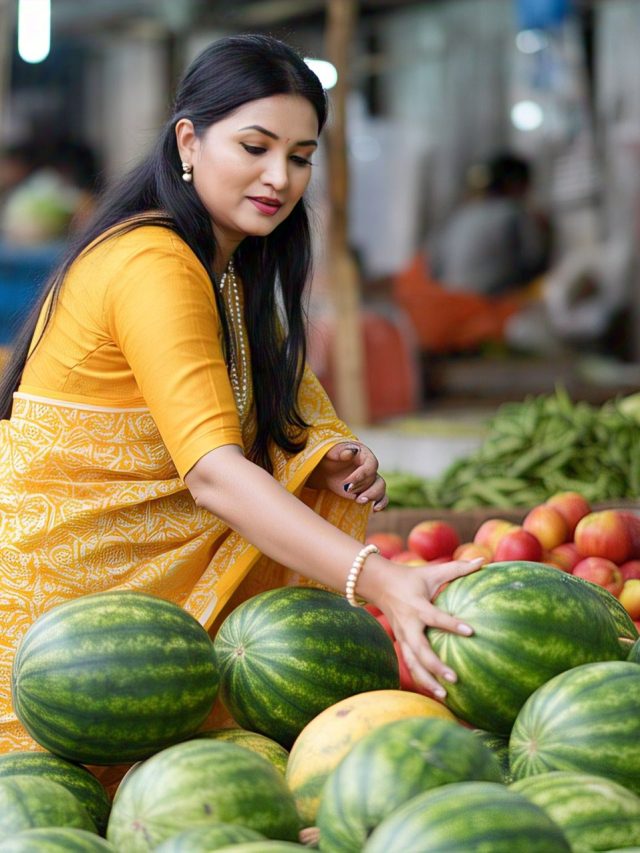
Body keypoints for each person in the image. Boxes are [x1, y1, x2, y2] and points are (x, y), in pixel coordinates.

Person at [0, 34, 481, 754]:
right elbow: (214, 474)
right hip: (70, 639)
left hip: (122, 629)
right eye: (254, 146)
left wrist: (314, 453)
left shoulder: (226, 266)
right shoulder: (153, 263)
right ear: (188, 141)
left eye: (299, 156)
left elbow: (247, 409)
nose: (279, 177)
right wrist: (378, 579)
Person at [428, 152, 551, 298]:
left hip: (450, 304)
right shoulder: (513, 213)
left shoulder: (460, 215)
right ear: (516, 183)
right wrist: (545, 234)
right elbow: (534, 259)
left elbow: (434, 267)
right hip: (490, 307)